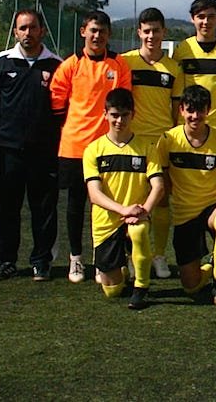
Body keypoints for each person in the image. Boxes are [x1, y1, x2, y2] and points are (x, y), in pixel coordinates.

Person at [50, 10, 132, 283]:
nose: (97, 36)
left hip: (107, 147)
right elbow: (57, 102)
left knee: (108, 205)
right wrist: (74, 127)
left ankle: (104, 260)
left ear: (109, 35)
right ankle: (75, 259)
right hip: (74, 147)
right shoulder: (70, 65)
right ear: (83, 31)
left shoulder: (118, 65)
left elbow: (123, 102)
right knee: (76, 204)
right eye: (93, 30)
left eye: (103, 32)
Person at [0, 9, 62, 281]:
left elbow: (62, 107)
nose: (28, 33)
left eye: (33, 27)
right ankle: (5, 260)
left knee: (44, 209)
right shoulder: (1, 62)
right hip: (8, 150)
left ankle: (42, 261)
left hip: (45, 151)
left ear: (42, 30)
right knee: (7, 208)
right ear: (15, 32)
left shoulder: (56, 65)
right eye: (22, 28)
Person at [82, 88, 165, 309]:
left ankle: (141, 287)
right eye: (115, 115)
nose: (120, 120)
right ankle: (123, 269)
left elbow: (158, 186)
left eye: (125, 115)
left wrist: (144, 211)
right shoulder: (93, 150)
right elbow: (95, 194)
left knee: (138, 230)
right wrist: (123, 209)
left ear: (133, 115)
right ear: (105, 115)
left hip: (136, 217)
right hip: (107, 223)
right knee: (112, 291)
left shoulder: (147, 148)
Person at [157, 85, 216, 306]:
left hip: (214, 203)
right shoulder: (167, 140)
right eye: (190, 110)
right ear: (181, 110)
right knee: (191, 286)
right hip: (185, 212)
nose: (195, 116)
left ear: (208, 110)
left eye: (200, 110)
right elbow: (163, 177)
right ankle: (212, 266)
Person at [121, 8, 180, 280]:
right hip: (133, 142)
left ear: (163, 32)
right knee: (133, 201)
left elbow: (176, 109)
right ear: (139, 33)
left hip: (162, 141)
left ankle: (158, 255)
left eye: (156, 30)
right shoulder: (126, 62)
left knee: (162, 201)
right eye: (146, 31)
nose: (151, 36)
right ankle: (134, 256)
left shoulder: (173, 68)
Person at [175, 0, 216, 134]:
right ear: (192, 18)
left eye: (211, 16)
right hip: (187, 127)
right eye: (201, 16)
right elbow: (176, 92)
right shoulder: (183, 49)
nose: (206, 22)